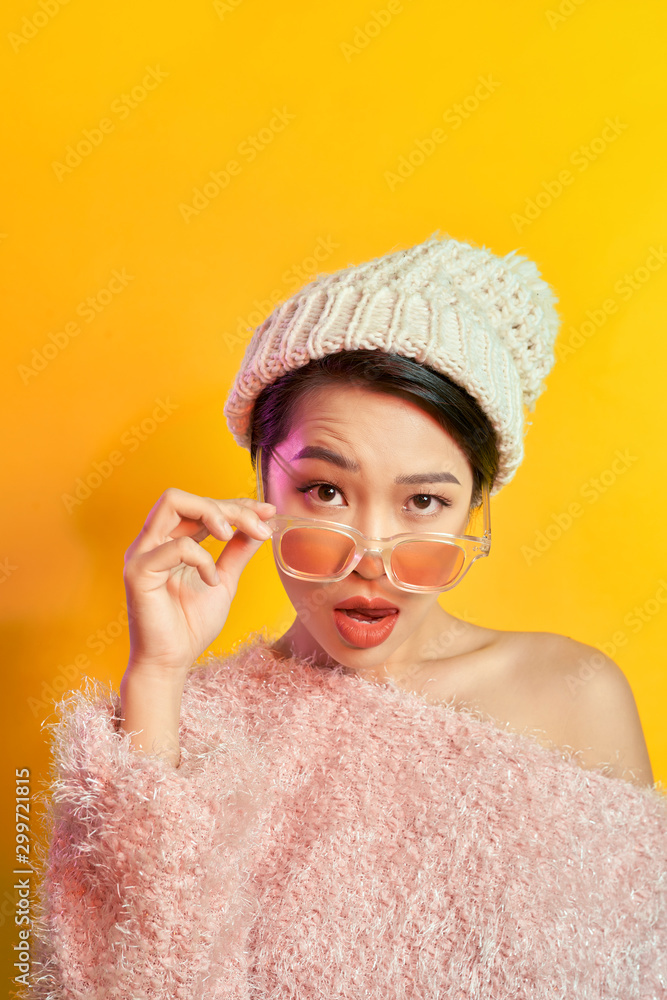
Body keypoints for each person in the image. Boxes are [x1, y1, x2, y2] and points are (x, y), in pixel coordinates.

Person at [25, 233, 667, 1000]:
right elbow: (108, 982)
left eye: (423, 501)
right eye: (325, 492)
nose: (370, 555)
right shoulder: (180, 727)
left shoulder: (571, 693)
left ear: (478, 510)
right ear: (262, 482)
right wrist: (159, 676)